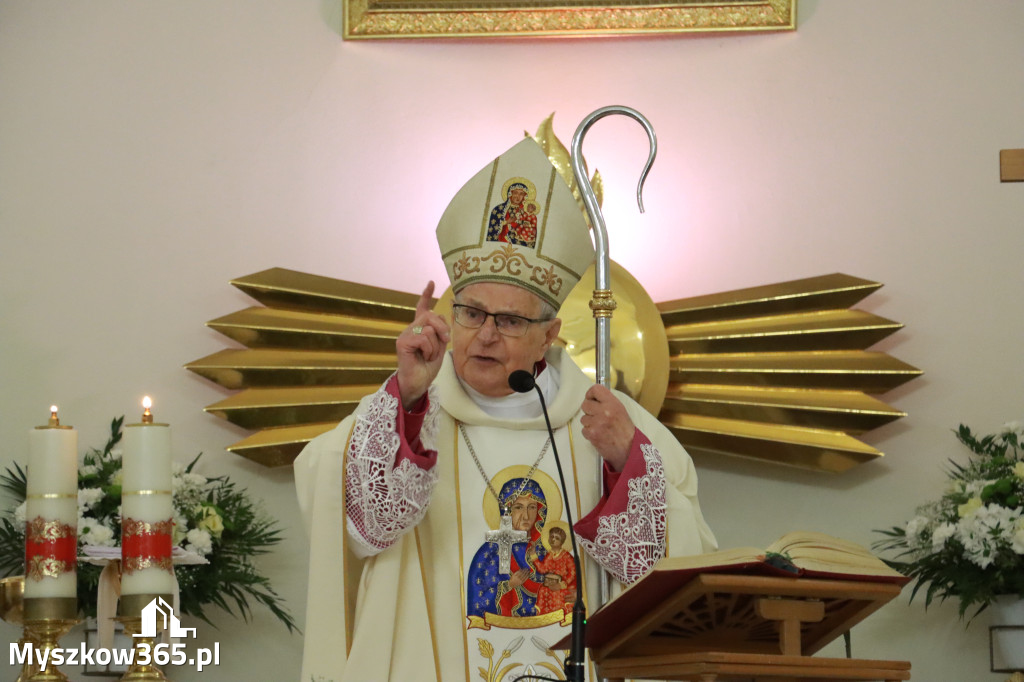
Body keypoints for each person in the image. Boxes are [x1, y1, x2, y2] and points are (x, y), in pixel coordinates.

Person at [295, 136, 717, 682]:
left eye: (511, 320)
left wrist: (623, 466)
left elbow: (671, 580)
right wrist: (410, 398)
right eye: (472, 313)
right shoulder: (406, 413)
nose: (486, 335)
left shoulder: (611, 427)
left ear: (550, 336)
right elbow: (356, 529)